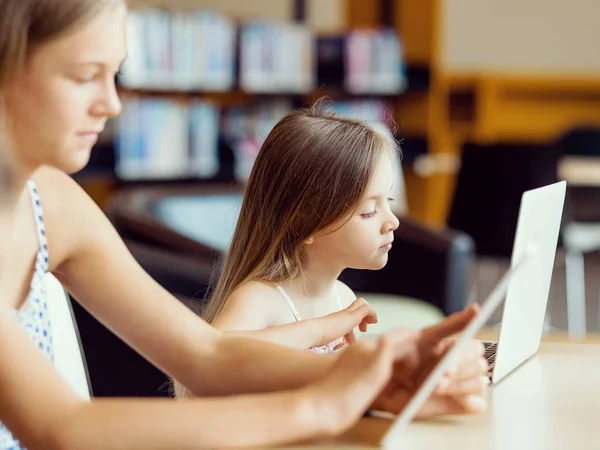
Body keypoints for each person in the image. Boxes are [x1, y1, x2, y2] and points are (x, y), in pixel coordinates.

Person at [0, 0, 489, 448]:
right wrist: (321, 403)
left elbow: (207, 356)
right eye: (86, 75)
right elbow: (58, 428)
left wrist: (376, 377)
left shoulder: (55, 200)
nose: (112, 104)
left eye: (115, 75)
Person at [201, 105, 400, 356]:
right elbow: (214, 356)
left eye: (389, 202)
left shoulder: (344, 298)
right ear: (305, 223)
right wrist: (320, 330)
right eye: (369, 211)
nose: (393, 222)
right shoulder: (260, 299)